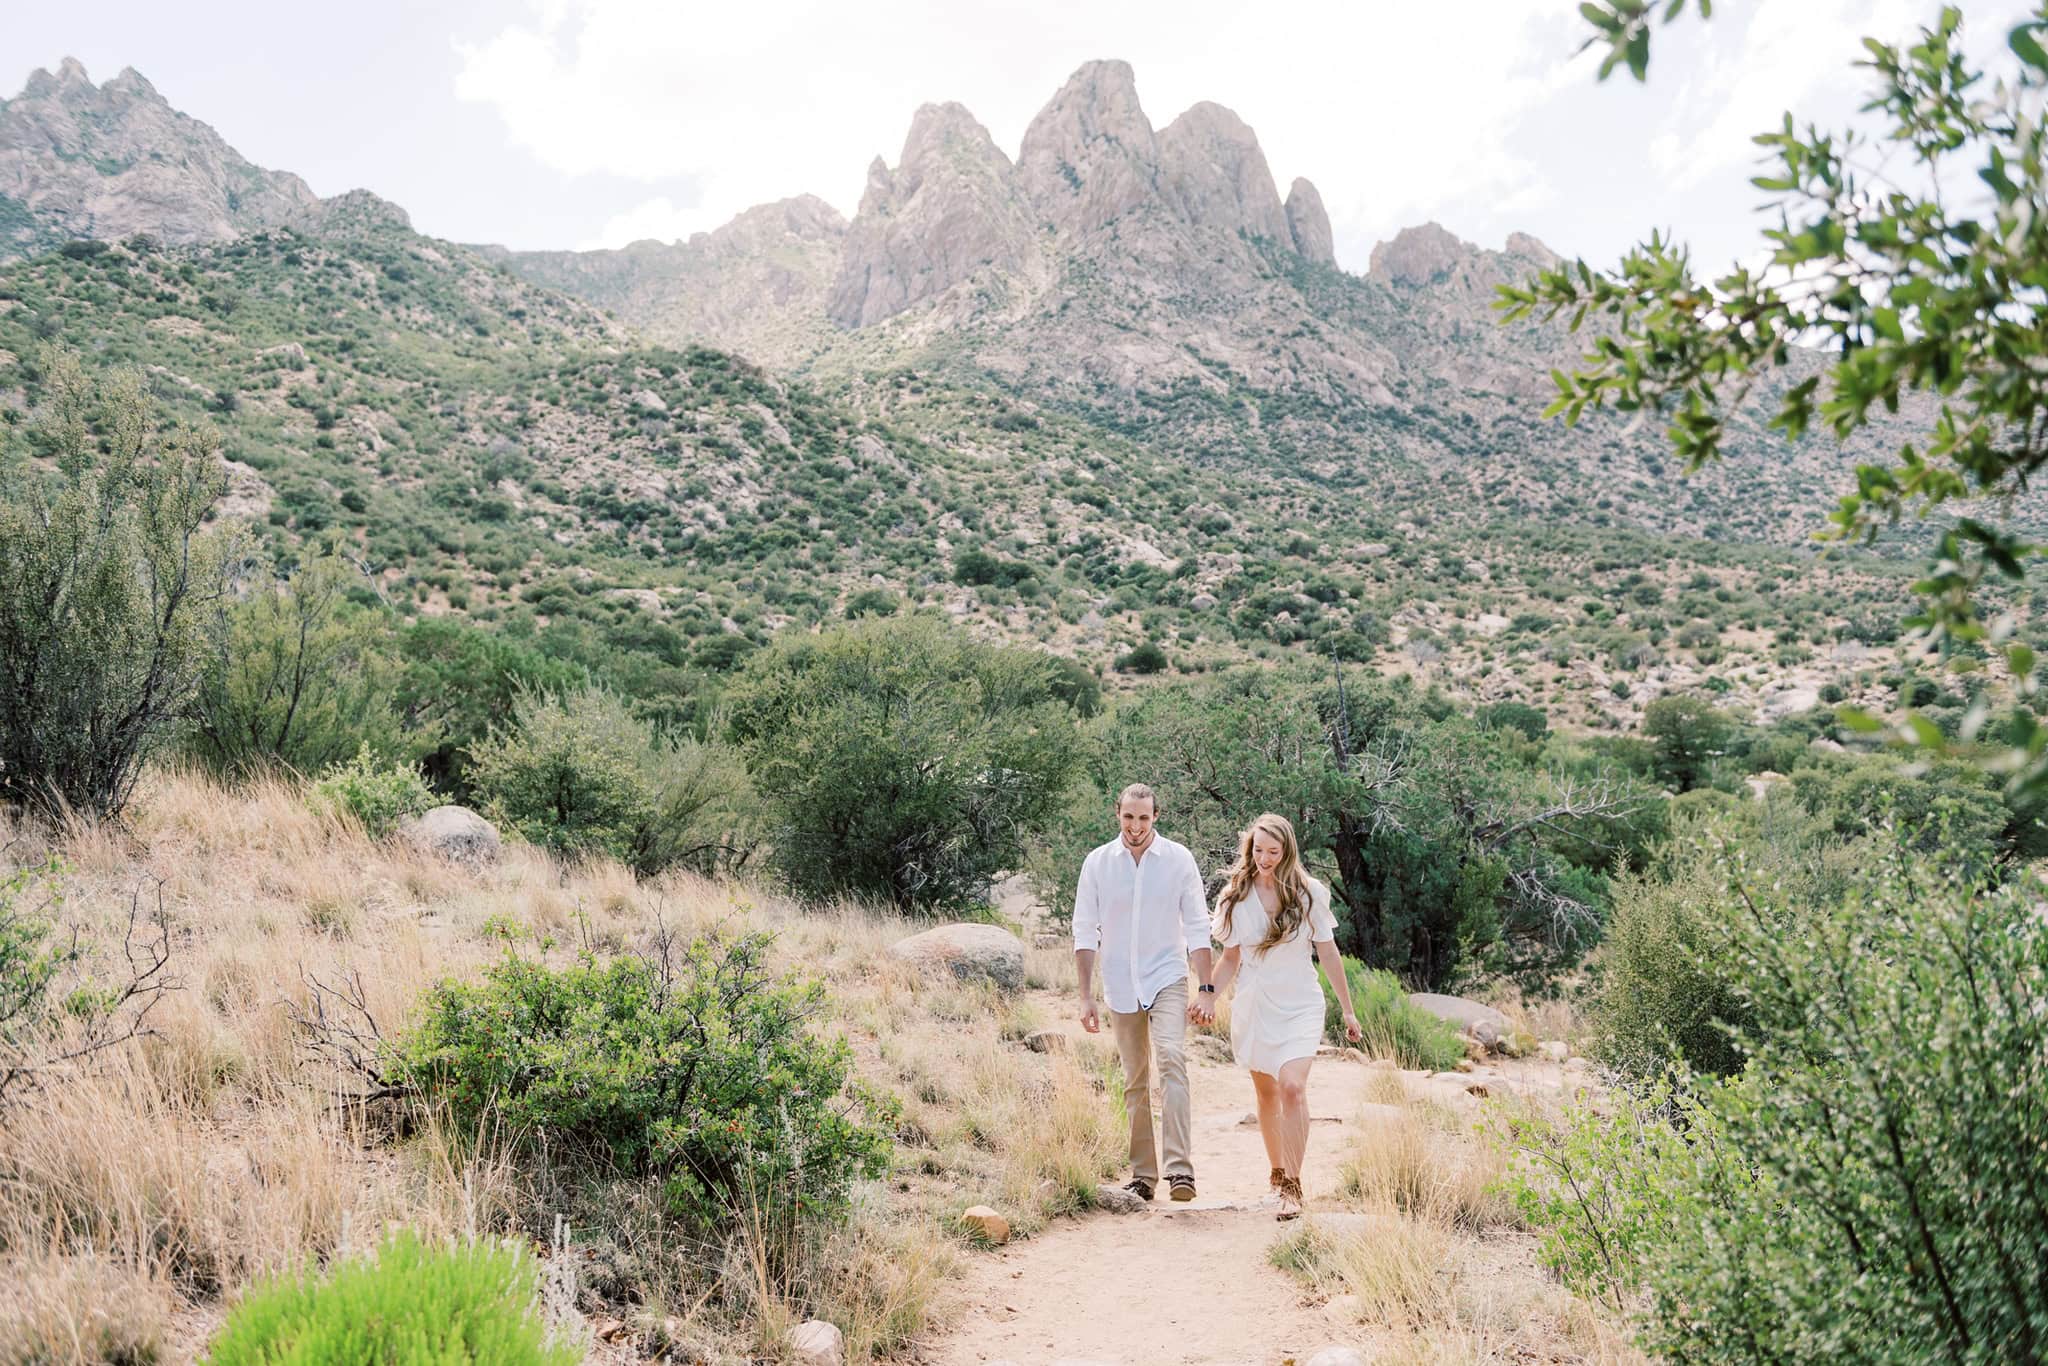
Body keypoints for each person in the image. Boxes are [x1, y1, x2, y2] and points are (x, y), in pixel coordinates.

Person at [1206, 812, 1361, 1220]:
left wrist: (1348, 1009)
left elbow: (1327, 952)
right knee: (1266, 1092)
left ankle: (1294, 1184)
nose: (1265, 858)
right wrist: (1207, 996)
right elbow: (1229, 958)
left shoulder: (1310, 893)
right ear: (1250, 848)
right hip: (1255, 1002)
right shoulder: (1234, 897)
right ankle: (1276, 1171)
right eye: (1259, 850)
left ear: (1287, 851)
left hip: (1300, 1002)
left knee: (1292, 1086)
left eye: (1273, 851)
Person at [1073, 783, 1215, 1203]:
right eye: (1129, 817)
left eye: (1144, 818)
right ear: (1117, 813)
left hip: (1167, 975)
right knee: (1134, 1079)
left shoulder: (1178, 860)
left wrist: (1206, 988)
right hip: (1119, 982)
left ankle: (1180, 1171)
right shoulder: (1098, 863)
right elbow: (1084, 930)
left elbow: (1197, 927)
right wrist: (1086, 996)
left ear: (1156, 817)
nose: (1135, 826)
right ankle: (1143, 1175)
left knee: (1171, 1058)